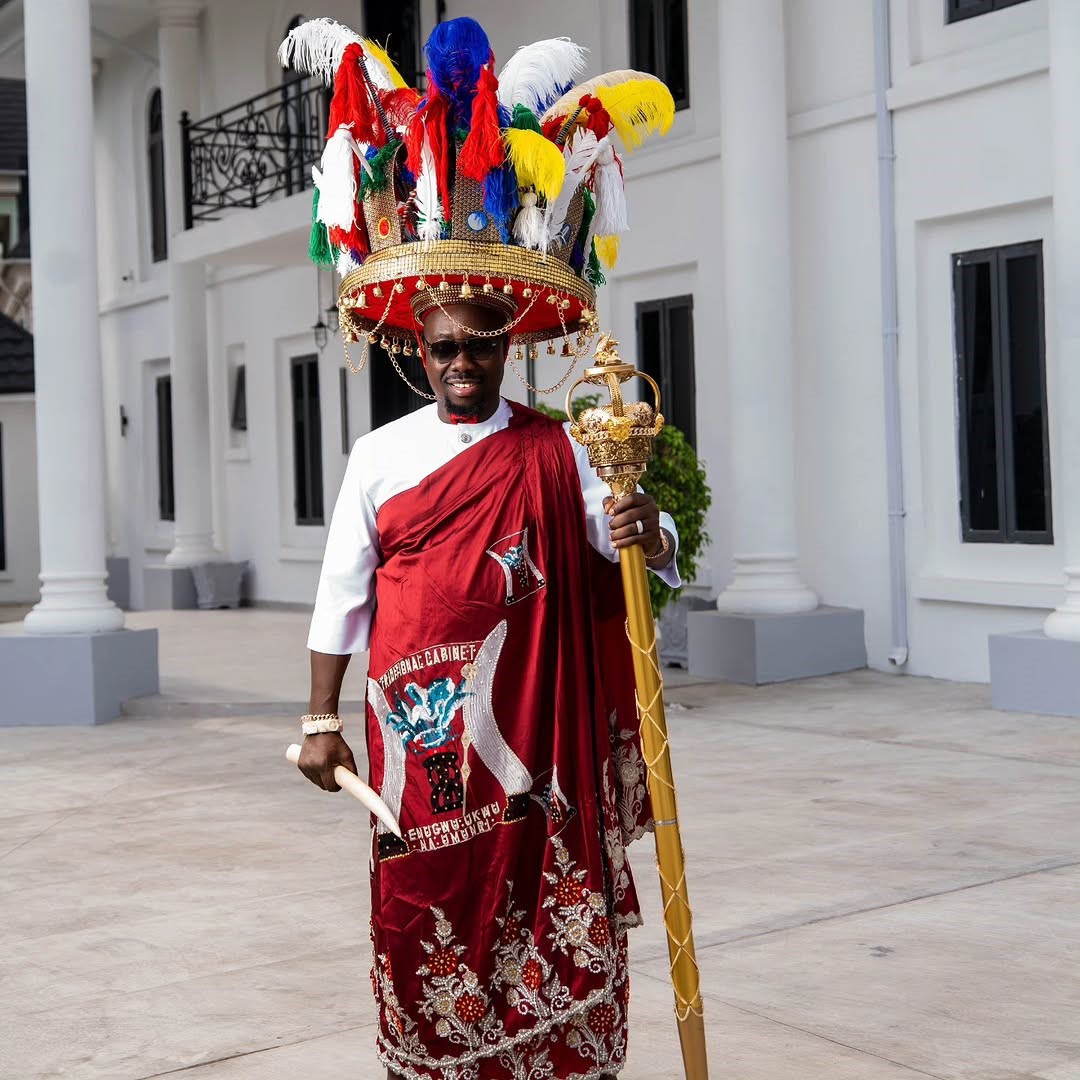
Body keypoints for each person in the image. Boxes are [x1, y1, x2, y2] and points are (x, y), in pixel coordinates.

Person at [280, 14, 680, 1078]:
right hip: (420, 741)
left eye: (482, 344)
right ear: (418, 349)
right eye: (445, 346)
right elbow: (341, 595)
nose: (463, 361)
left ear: (508, 345)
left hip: (540, 740)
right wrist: (319, 719)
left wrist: (649, 529)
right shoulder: (378, 457)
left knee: (546, 916)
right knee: (425, 913)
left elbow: (629, 537)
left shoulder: (561, 449)